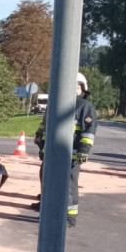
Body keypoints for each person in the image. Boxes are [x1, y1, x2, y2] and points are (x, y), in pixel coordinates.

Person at [31, 72, 96, 227]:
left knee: (68, 187)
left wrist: (84, 149)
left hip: (70, 155)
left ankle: (69, 217)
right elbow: (46, 126)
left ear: (82, 88)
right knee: (47, 183)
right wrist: (41, 142)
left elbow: (88, 131)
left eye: (76, 86)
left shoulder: (85, 106)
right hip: (51, 155)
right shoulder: (55, 104)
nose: (72, 89)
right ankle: (47, 211)